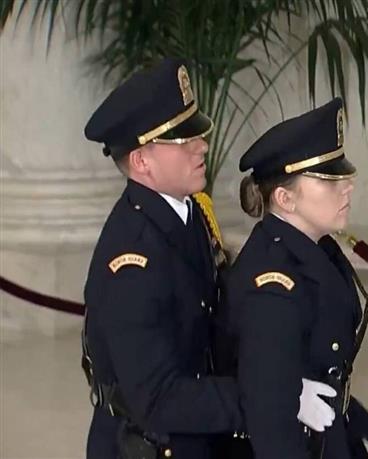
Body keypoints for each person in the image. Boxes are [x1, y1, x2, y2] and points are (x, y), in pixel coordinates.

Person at [81, 58, 336, 459]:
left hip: (195, 436)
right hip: (146, 447)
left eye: (196, 134)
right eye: (182, 141)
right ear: (142, 161)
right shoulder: (132, 261)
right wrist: (271, 396)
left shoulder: (190, 213)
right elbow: (158, 399)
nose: (201, 145)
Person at [225, 97, 368, 459]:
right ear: (285, 199)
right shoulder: (273, 284)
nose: (347, 186)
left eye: (343, 176)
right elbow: (271, 426)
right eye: (328, 180)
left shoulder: (316, 248)